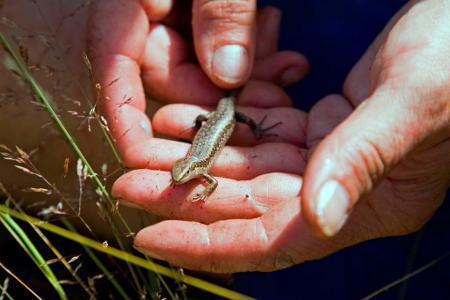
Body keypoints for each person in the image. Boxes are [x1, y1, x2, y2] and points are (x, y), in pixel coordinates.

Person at [89, 0, 450, 274]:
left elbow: (210, 182)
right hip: (217, 114)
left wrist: (209, 180)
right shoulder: (194, 165)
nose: (180, 178)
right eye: (180, 176)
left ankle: (247, 86)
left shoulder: (202, 170)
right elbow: (204, 169)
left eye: (183, 175)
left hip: (226, 116)